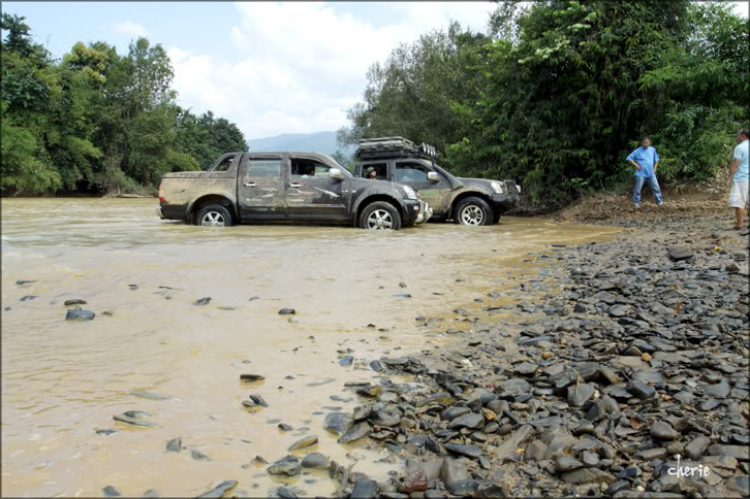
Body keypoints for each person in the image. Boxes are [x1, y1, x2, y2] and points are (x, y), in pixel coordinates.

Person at [627, 137, 663, 209]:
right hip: (641, 173)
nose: (646, 144)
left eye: (647, 142)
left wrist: (655, 168)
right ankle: (636, 203)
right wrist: (636, 165)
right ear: (642, 143)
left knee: (656, 188)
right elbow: (629, 158)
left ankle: (659, 202)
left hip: (651, 173)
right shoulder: (637, 151)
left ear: (649, 143)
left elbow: (656, 160)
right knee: (638, 189)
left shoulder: (652, 150)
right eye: (644, 142)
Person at [728, 128, 749, 230]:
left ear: (743, 136)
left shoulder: (739, 148)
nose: (737, 137)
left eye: (738, 135)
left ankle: (740, 225)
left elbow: (736, 164)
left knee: (739, 202)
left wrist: (730, 178)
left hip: (742, 179)